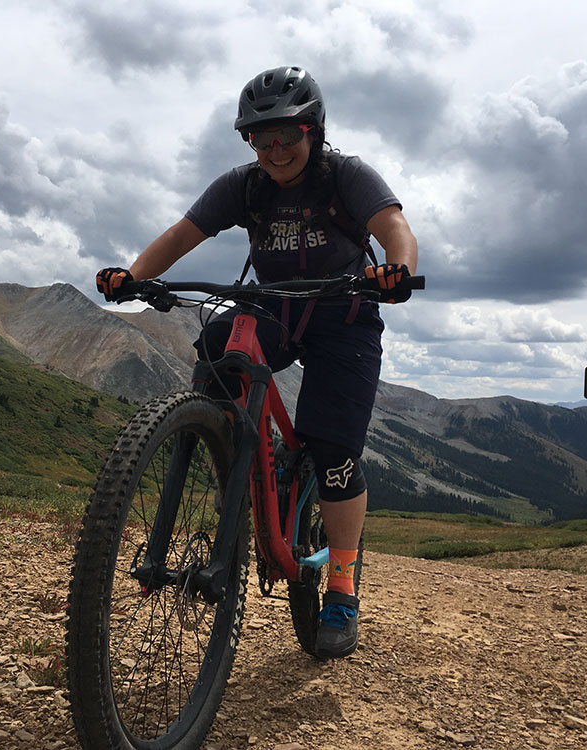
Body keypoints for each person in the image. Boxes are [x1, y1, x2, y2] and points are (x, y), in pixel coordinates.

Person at [96, 66, 418, 659]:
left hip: (342, 315)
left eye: (286, 135)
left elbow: (392, 225)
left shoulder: (345, 176)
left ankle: (342, 586)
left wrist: (394, 268)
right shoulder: (244, 187)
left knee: (335, 451)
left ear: (313, 129)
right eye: (258, 137)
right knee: (218, 345)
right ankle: (241, 454)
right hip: (273, 308)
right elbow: (182, 234)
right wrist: (134, 276)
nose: (273, 150)